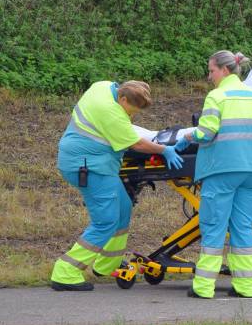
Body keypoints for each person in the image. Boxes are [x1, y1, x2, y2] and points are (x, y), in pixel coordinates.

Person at [50, 80, 183, 291]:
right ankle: (65, 272)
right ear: (122, 98)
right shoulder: (111, 113)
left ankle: (107, 264)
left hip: (87, 161)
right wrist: (164, 150)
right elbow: (137, 144)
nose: (132, 116)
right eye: (131, 110)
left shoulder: (103, 87)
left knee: (123, 208)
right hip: (89, 167)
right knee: (105, 222)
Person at [177, 51, 252, 298]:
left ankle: (203, 287)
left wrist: (188, 136)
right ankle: (245, 287)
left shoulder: (217, 96)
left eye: (211, 71)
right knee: (243, 227)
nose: (209, 76)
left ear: (224, 70)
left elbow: (206, 133)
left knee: (214, 226)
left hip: (223, 170)